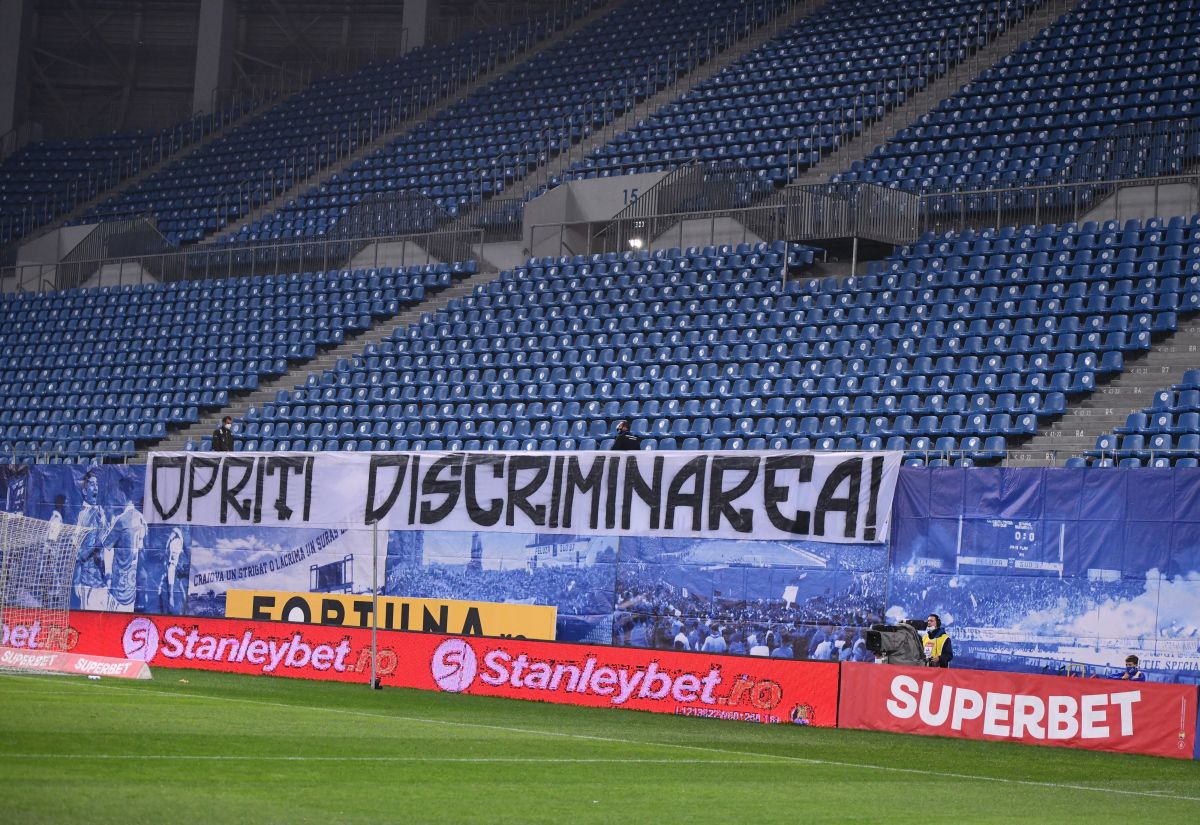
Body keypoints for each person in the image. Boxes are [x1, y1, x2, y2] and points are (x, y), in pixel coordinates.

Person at [103, 475, 147, 612]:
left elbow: (106, 546)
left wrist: (108, 574)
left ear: (122, 493)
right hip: (131, 587)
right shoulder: (141, 518)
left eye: (118, 492)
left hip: (118, 589)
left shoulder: (121, 521)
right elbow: (141, 549)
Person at [72, 468, 110, 611]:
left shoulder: (101, 512)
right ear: (84, 491)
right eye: (92, 484)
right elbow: (77, 551)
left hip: (103, 582)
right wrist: (76, 580)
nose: (96, 488)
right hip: (88, 583)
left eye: (97, 484)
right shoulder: (82, 515)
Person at [156, 527, 188, 615]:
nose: (171, 534)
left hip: (173, 566)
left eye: (173, 533)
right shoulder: (178, 542)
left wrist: (168, 542)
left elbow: (172, 557)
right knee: (179, 585)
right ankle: (182, 603)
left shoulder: (176, 542)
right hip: (174, 566)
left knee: (172, 586)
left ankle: (171, 601)